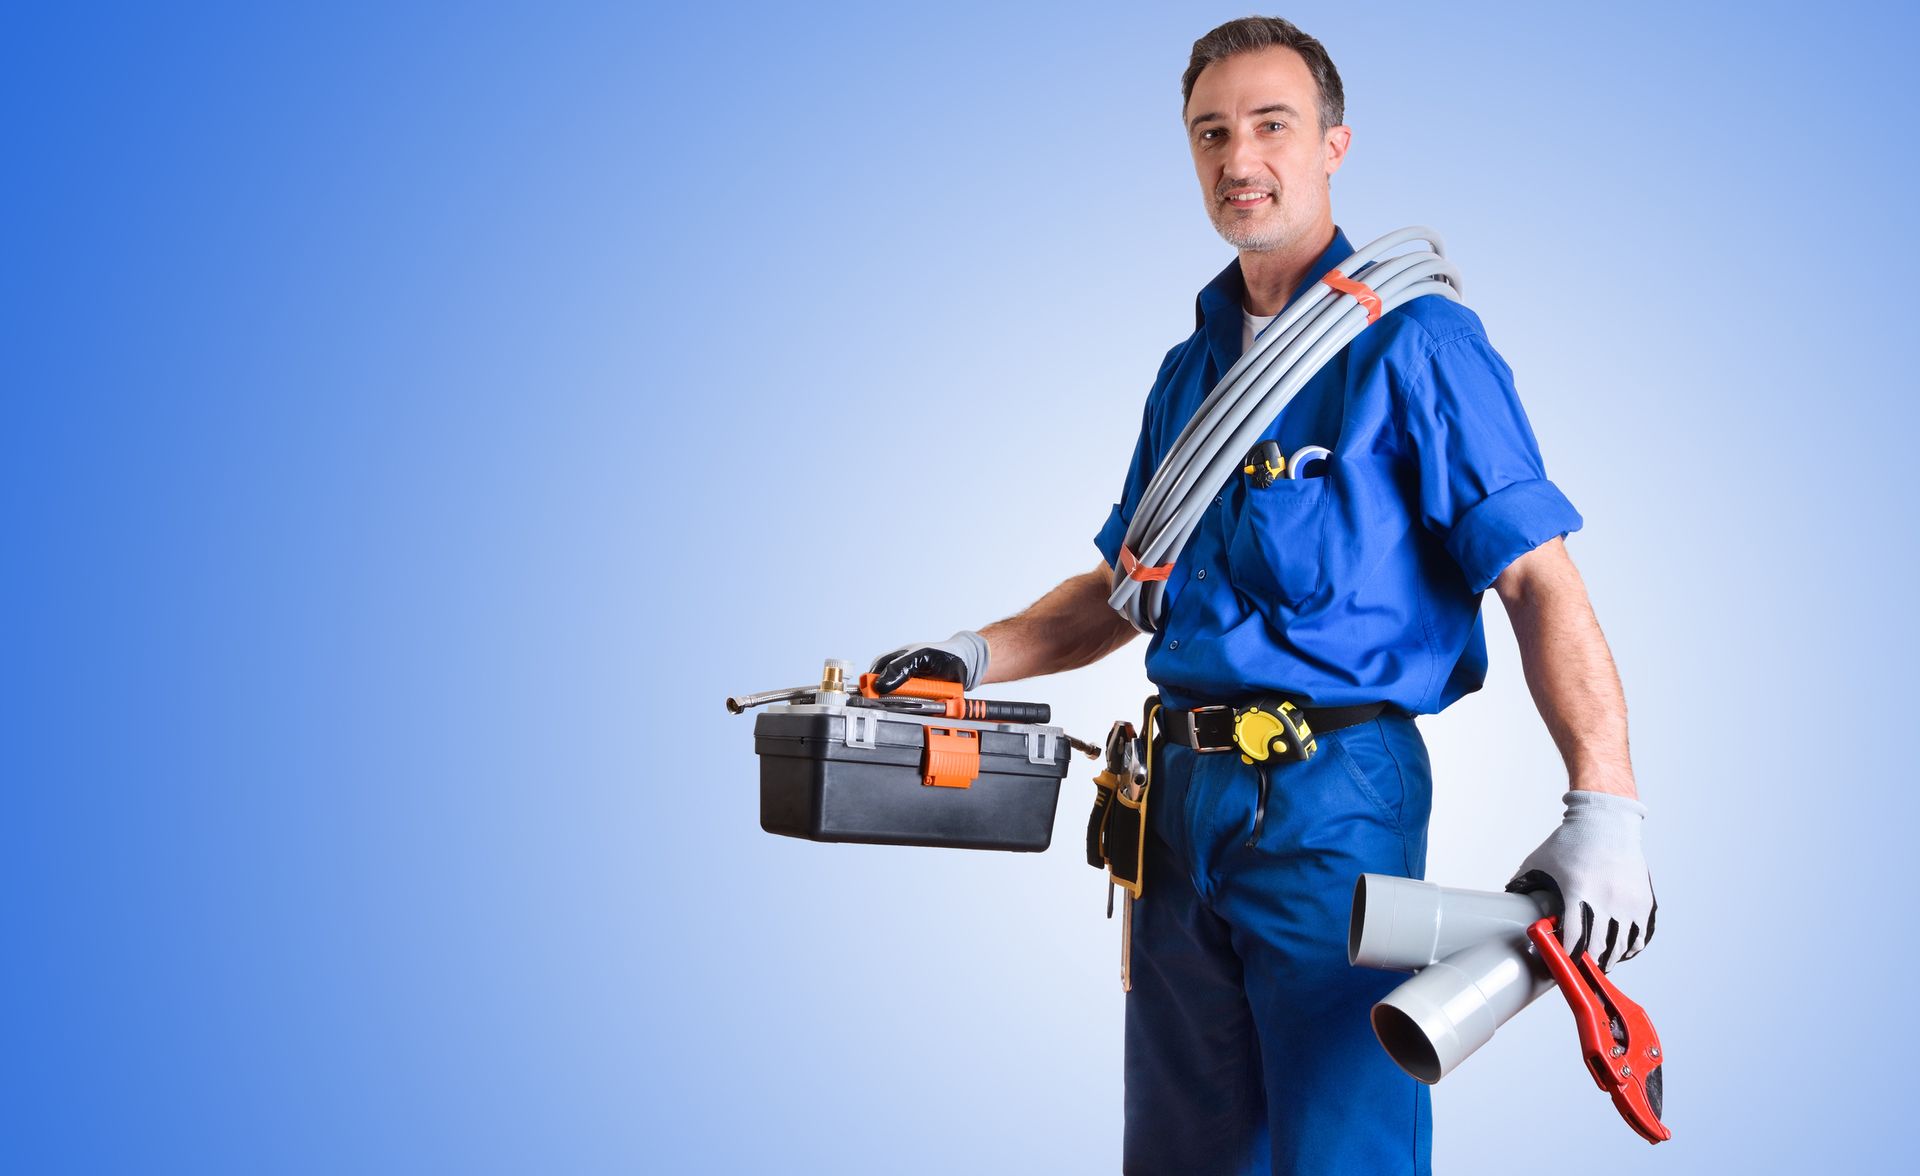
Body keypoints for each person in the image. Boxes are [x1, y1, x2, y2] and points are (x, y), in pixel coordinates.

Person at [868, 16, 1655, 1176]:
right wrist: (970, 656)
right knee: (1183, 1153)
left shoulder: (1419, 345)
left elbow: (1538, 576)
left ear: (1335, 143)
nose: (1241, 158)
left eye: (1272, 125)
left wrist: (1606, 809)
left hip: (1333, 803)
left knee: (1347, 1148)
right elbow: (1126, 587)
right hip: (1178, 808)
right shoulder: (1189, 375)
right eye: (1212, 133)